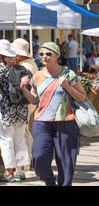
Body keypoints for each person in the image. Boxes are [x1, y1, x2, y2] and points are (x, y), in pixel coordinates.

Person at [20, 42, 86, 186]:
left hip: (65, 122)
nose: (44, 56)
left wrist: (67, 86)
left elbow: (82, 97)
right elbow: (34, 101)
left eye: (48, 54)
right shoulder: (37, 76)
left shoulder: (69, 74)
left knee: (66, 162)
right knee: (38, 158)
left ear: (56, 56)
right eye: (42, 54)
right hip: (41, 123)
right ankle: (50, 182)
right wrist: (23, 88)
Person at [0, 39, 30, 182]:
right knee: (20, 139)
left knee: (6, 140)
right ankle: (21, 171)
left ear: (0, 54)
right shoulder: (18, 65)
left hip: (6, 110)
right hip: (21, 109)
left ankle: (9, 172)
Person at [11, 38, 38, 173]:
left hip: (27, 100)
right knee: (25, 130)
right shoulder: (30, 63)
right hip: (30, 100)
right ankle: (29, 160)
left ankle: (29, 160)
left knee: (24, 131)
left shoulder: (26, 66)